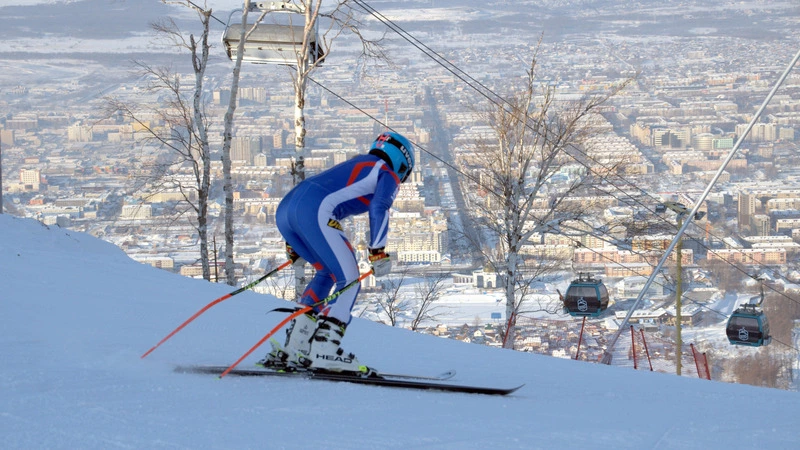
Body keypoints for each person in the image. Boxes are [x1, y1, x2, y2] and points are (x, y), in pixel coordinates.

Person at [258, 131, 415, 374]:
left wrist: (294, 242)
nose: (401, 180)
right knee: (349, 280)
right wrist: (378, 251)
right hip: (315, 210)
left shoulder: (358, 162)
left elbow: (310, 194)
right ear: (402, 162)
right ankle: (325, 350)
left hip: (287, 210)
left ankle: (295, 345)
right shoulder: (386, 171)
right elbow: (380, 206)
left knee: (326, 273)